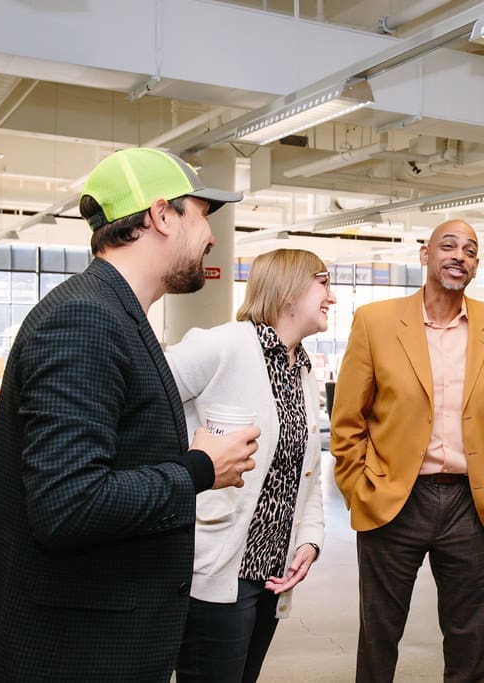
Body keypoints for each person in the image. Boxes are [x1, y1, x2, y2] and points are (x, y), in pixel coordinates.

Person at [0, 147, 259, 681]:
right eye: (204, 214)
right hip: (78, 651)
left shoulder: (115, 313)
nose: (211, 236)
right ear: (161, 215)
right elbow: (67, 505)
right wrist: (201, 468)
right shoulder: (85, 320)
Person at [331, 219, 484, 682]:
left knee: (469, 638)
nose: (459, 255)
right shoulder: (375, 321)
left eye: (471, 250)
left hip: (471, 504)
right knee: (379, 634)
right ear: (425, 254)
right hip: (394, 498)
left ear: (477, 266)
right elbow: (348, 420)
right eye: (449, 245)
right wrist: (360, 487)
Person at [167, 248, 335, 682]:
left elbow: (308, 474)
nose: (331, 296)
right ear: (288, 290)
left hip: (271, 576)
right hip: (217, 570)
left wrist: (309, 542)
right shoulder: (222, 345)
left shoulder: (300, 370)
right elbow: (142, 404)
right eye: (323, 282)